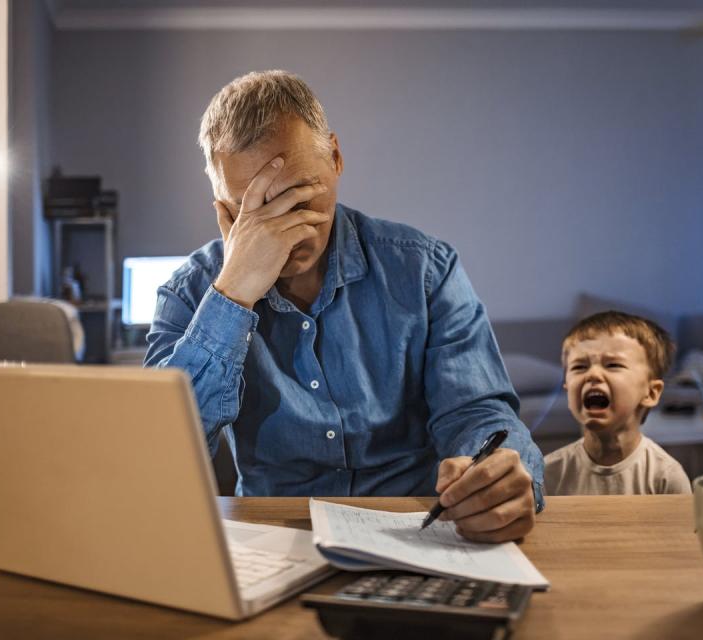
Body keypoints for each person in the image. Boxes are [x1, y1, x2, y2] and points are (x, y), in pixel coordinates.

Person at [145, 70, 544, 542]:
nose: (288, 227)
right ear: (223, 207)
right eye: (257, 210)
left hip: (417, 528)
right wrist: (232, 294)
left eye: (300, 194)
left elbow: (476, 413)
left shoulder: (424, 269)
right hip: (271, 535)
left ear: (334, 157)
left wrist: (494, 474)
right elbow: (158, 454)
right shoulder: (190, 292)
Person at [543, 311, 691, 495]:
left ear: (651, 393)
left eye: (613, 365)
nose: (593, 374)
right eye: (579, 367)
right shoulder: (548, 473)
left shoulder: (666, 477)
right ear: (567, 391)